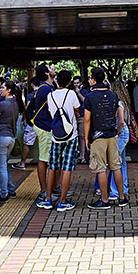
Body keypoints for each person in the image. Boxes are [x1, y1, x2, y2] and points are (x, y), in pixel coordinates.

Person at [83, 69, 128, 209]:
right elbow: (116, 116)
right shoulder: (112, 95)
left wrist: (86, 138)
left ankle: (104, 200)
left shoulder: (90, 97)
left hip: (98, 136)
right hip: (112, 135)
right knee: (116, 166)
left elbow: (87, 119)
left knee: (101, 168)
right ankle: (122, 198)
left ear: (93, 79)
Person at [40, 70, 81, 211]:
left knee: (53, 167)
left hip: (56, 136)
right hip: (71, 135)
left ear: (57, 81)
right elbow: (77, 110)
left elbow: (52, 113)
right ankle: (63, 202)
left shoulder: (50, 95)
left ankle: (48, 199)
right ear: (69, 82)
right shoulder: (72, 94)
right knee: (67, 168)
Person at [29, 65, 56, 208]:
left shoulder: (47, 88)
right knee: (45, 159)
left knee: (50, 158)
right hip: (45, 126)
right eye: (50, 67)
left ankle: (52, 187)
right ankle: (45, 190)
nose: (53, 68)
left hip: (46, 125)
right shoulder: (46, 89)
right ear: (47, 73)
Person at [0, 80, 21, 202]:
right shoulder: (15, 103)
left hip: (2, 136)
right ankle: (11, 189)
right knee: (4, 164)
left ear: (9, 90)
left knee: (1, 166)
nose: (0, 89)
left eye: (3, 87)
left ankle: (4, 194)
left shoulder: (3, 104)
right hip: (11, 137)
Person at [15, 76, 37, 170]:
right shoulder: (47, 93)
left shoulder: (31, 96)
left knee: (27, 143)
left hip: (31, 123)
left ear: (32, 84)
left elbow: (27, 109)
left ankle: (22, 163)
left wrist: (24, 119)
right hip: (44, 123)